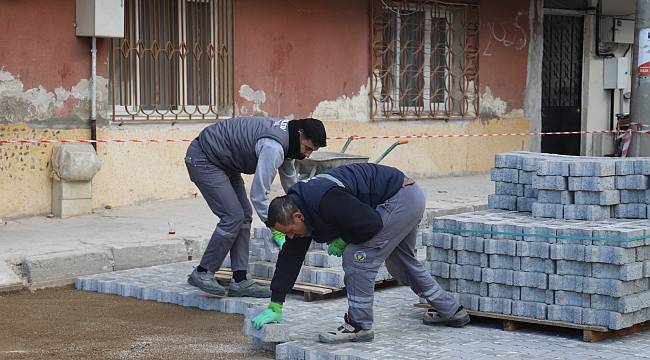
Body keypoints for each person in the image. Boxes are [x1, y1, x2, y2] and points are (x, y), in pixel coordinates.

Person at [251, 163, 470, 342]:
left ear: (298, 217)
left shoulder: (325, 200)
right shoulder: (300, 207)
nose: (290, 237)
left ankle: (359, 325)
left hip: (398, 199)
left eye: (289, 231)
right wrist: (275, 304)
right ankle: (451, 310)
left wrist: (345, 238)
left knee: (358, 257)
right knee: (401, 263)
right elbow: (291, 256)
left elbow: (370, 225)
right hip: (408, 194)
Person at [184, 116, 326, 298]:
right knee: (232, 216)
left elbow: (291, 183)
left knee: (244, 215)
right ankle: (203, 272)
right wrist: (276, 226)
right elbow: (258, 194)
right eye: (307, 148)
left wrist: (306, 209)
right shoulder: (273, 147)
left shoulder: (289, 143)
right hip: (204, 158)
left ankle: (240, 280)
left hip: (227, 162)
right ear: (300, 134)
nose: (307, 155)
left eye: (311, 151)